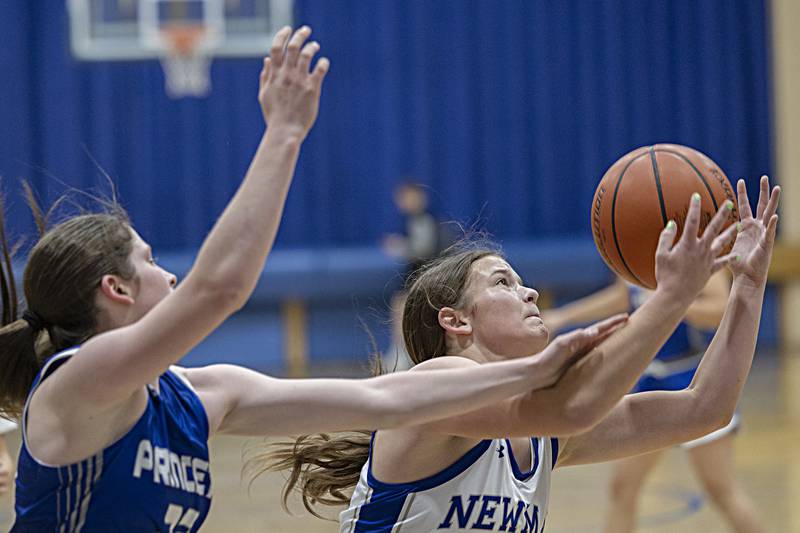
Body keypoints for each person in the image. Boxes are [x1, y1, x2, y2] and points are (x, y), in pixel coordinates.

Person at [1, 27, 620, 532]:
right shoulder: (76, 383)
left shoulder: (200, 395)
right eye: (150, 262)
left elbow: (389, 400)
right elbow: (218, 289)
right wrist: (285, 134)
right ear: (116, 290)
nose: (169, 275)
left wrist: (535, 370)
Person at [255, 178, 779, 533]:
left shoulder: (541, 434)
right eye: (504, 282)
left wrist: (748, 288)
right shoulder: (437, 385)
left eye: (523, 281)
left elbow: (702, 410)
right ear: (455, 321)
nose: (529, 293)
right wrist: (669, 298)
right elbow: (573, 405)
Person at [544, 271, 764, 533]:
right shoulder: (631, 248)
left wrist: (674, 303)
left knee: (721, 490)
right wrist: (564, 316)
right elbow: (623, 296)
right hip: (650, 380)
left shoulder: (696, 247)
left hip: (693, 380)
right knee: (622, 488)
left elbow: (719, 310)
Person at [383, 180, 453, 370]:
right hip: (420, 272)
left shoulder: (424, 219)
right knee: (399, 305)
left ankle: (402, 353)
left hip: (427, 273)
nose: (403, 202)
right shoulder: (413, 220)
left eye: (407, 197)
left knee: (401, 306)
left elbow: (423, 250)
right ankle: (401, 351)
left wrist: (400, 246)